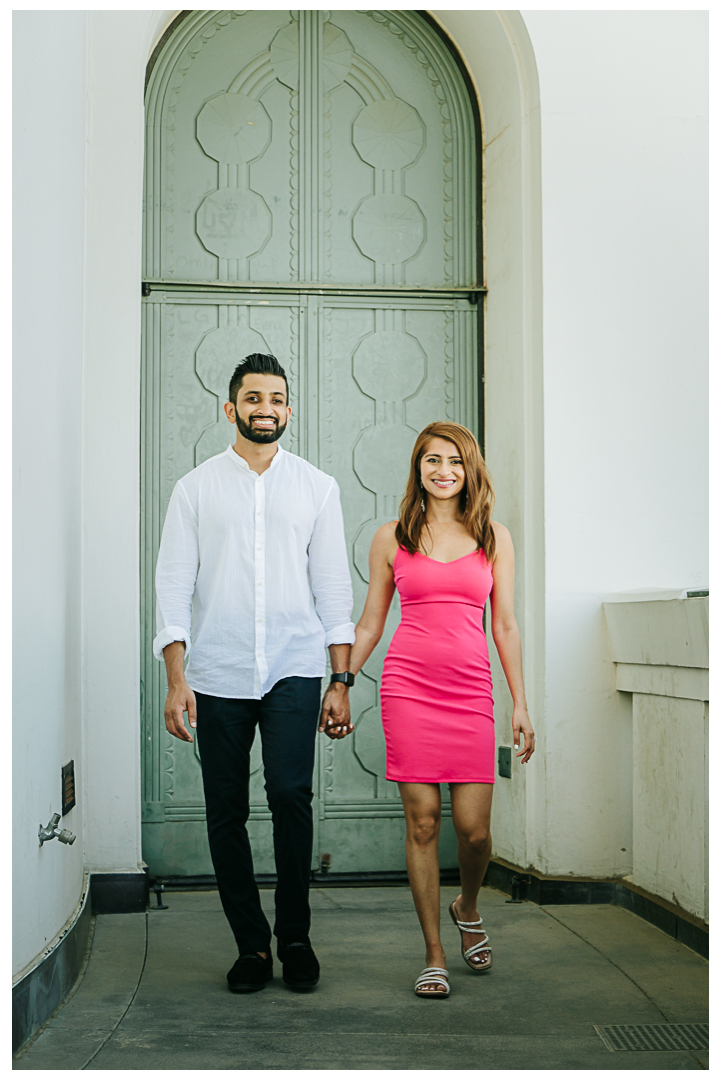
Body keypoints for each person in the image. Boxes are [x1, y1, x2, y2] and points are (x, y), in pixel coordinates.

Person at [153, 353, 356, 994]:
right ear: (231, 407)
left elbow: (332, 591)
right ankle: (251, 947)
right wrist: (176, 678)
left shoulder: (318, 488)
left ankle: (294, 937)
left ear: (288, 409)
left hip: (295, 669)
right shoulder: (195, 489)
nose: (265, 407)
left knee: (292, 798)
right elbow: (172, 587)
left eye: (276, 398)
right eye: (253, 397)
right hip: (216, 671)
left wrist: (341, 680)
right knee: (225, 811)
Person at [346, 421, 535, 998]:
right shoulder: (392, 536)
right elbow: (372, 622)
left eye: (454, 460)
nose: (443, 470)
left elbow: (503, 624)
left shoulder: (493, 537)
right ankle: (433, 953)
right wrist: (340, 682)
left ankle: (467, 906)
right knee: (423, 822)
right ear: (418, 468)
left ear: (469, 469)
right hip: (408, 690)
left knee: (474, 833)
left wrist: (519, 703)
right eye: (432, 460)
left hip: (471, 691)